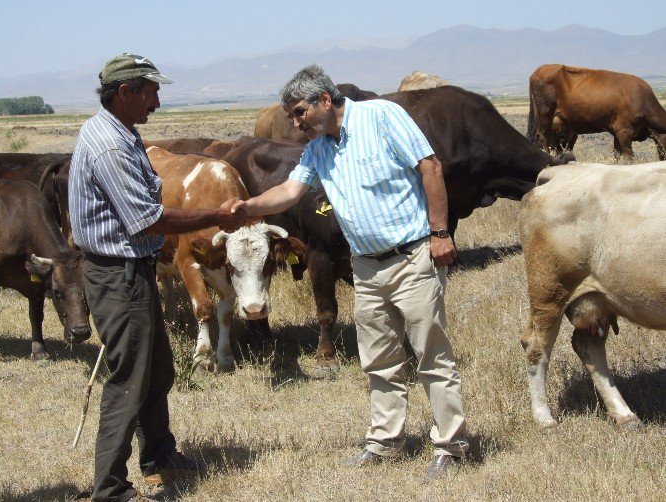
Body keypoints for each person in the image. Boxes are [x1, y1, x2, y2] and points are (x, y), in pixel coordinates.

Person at [230, 64, 468, 478]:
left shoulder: (381, 116)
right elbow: (290, 190)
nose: (294, 121)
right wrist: (248, 208)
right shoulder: (319, 148)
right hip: (366, 268)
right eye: (291, 115)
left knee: (431, 355)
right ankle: (385, 442)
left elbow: (429, 167)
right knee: (378, 359)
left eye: (299, 111)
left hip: (411, 256)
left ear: (325, 99)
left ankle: (452, 445)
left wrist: (440, 233)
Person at [69, 53, 246, 502]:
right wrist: (215, 217)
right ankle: (109, 488)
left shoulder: (122, 132)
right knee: (129, 379)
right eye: (151, 91)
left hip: (134, 271)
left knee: (157, 369)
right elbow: (148, 221)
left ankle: (159, 456)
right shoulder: (109, 145)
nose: (158, 101)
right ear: (125, 92)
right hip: (118, 276)